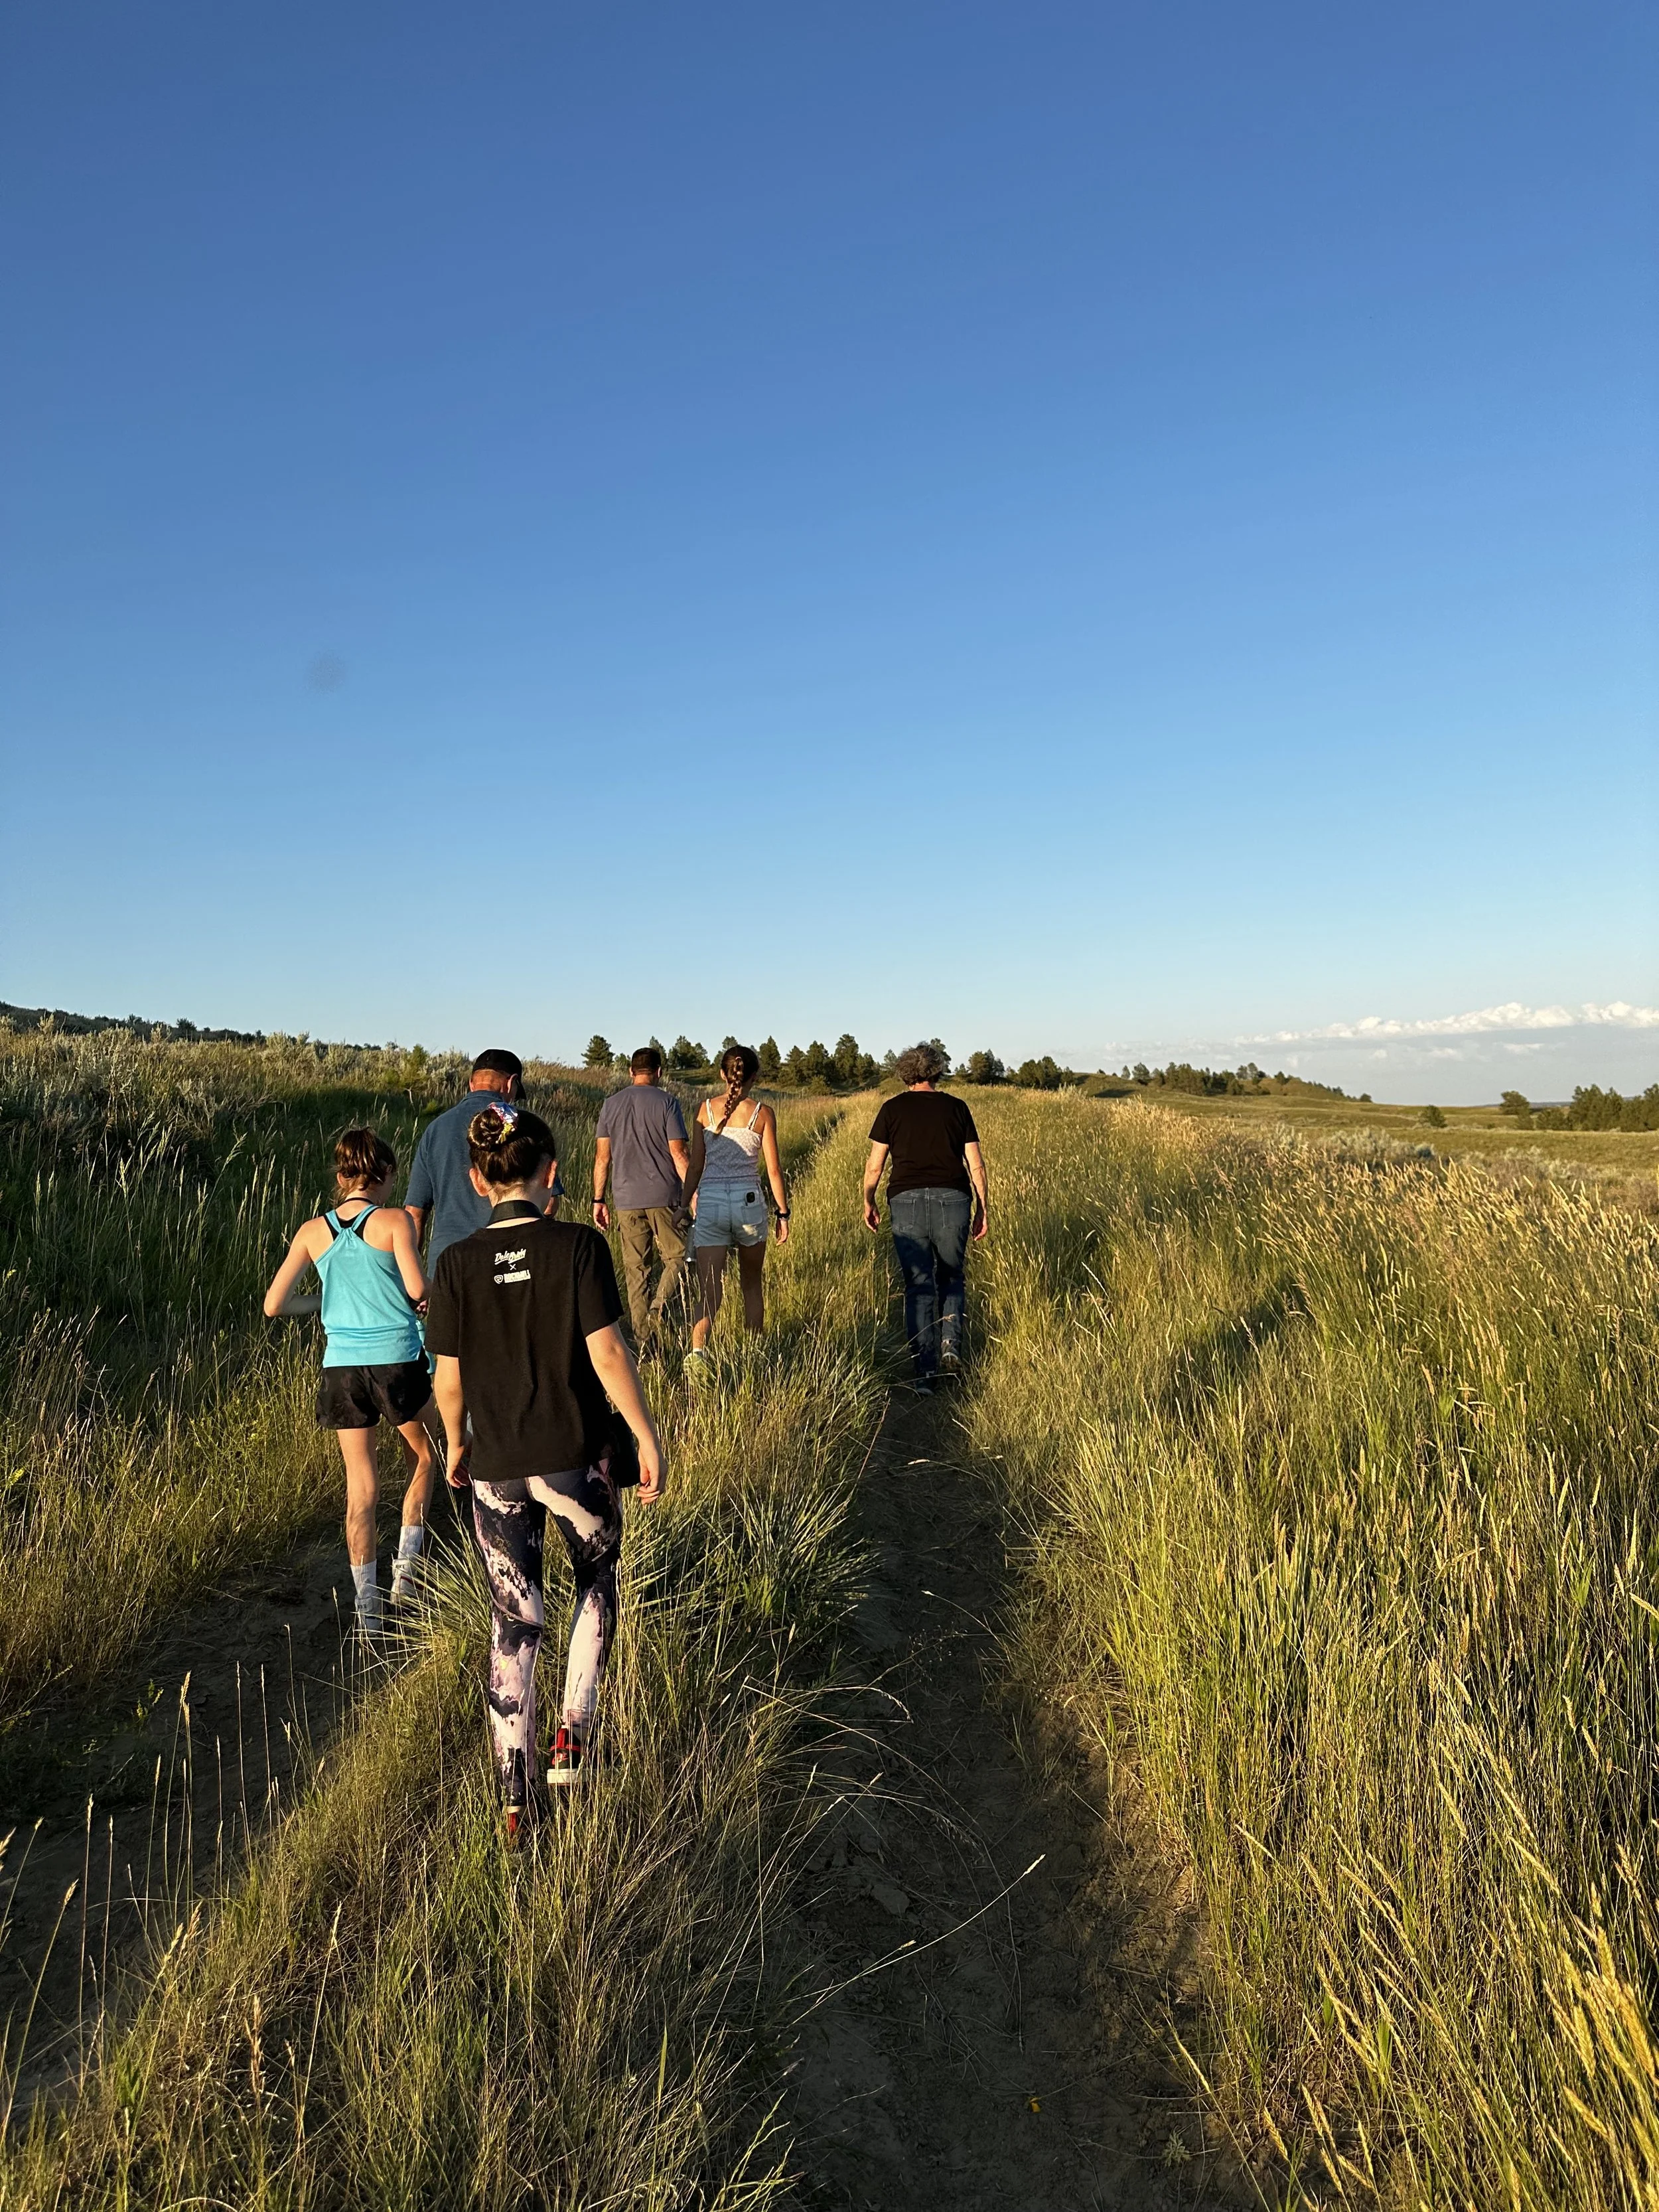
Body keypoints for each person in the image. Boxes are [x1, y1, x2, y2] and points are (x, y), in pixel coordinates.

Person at [424, 1102, 665, 1840]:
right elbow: (608, 1355)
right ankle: (573, 1734)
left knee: (513, 1622)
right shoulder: (580, 1247)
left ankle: (513, 1794)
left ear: (475, 1179)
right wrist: (646, 1436)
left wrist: (456, 1444)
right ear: (550, 1172)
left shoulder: (456, 1264)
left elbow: (449, 1378)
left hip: (495, 1466)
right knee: (596, 1580)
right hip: (575, 1459)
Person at [263, 1128, 436, 1635]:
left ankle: (368, 1610)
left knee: (359, 1487)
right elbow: (417, 1287)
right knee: (426, 1454)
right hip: (397, 1360)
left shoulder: (311, 1231)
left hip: (341, 1366)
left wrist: (325, 1303)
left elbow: (275, 1304)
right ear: (383, 1175)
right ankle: (407, 1569)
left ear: (341, 1177)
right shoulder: (394, 1221)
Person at [862, 1043, 989, 1392]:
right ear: (937, 1071)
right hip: (954, 1198)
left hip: (906, 1201)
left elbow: (875, 1165)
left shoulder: (891, 1109)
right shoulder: (957, 1108)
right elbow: (975, 1164)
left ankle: (924, 1373)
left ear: (906, 1073)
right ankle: (950, 1344)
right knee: (952, 1275)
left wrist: (868, 1200)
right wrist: (983, 1207)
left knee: (918, 1285)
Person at [676, 1045, 790, 1384]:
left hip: (709, 1202)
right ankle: (754, 1358)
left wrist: (683, 1206)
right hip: (749, 1202)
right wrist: (782, 1213)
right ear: (754, 1077)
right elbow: (773, 1170)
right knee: (751, 1285)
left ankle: (698, 1358)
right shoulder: (763, 1113)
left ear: (723, 1075)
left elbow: (695, 1165)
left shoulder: (704, 1111)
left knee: (710, 1290)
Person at [407, 1049, 562, 1268]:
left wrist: (414, 1281)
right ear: (511, 1083)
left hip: (446, 1263)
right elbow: (549, 1205)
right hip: (510, 1261)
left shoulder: (434, 1130)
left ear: (471, 1084)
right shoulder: (525, 1128)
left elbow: (414, 1214)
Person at [592, 1045, 691, 1353]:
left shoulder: (611, 1105)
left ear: (631, 1072)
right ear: (660, 1072)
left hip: (625, 1198)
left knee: (637, 1272)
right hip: (665, 1195)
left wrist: (599, 1199)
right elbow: (679, 1154)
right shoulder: (668, 1103)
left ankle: (644, 1345)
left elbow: (602, 1158)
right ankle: (659, 1310)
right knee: (681, 1258)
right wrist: (693, 1193)